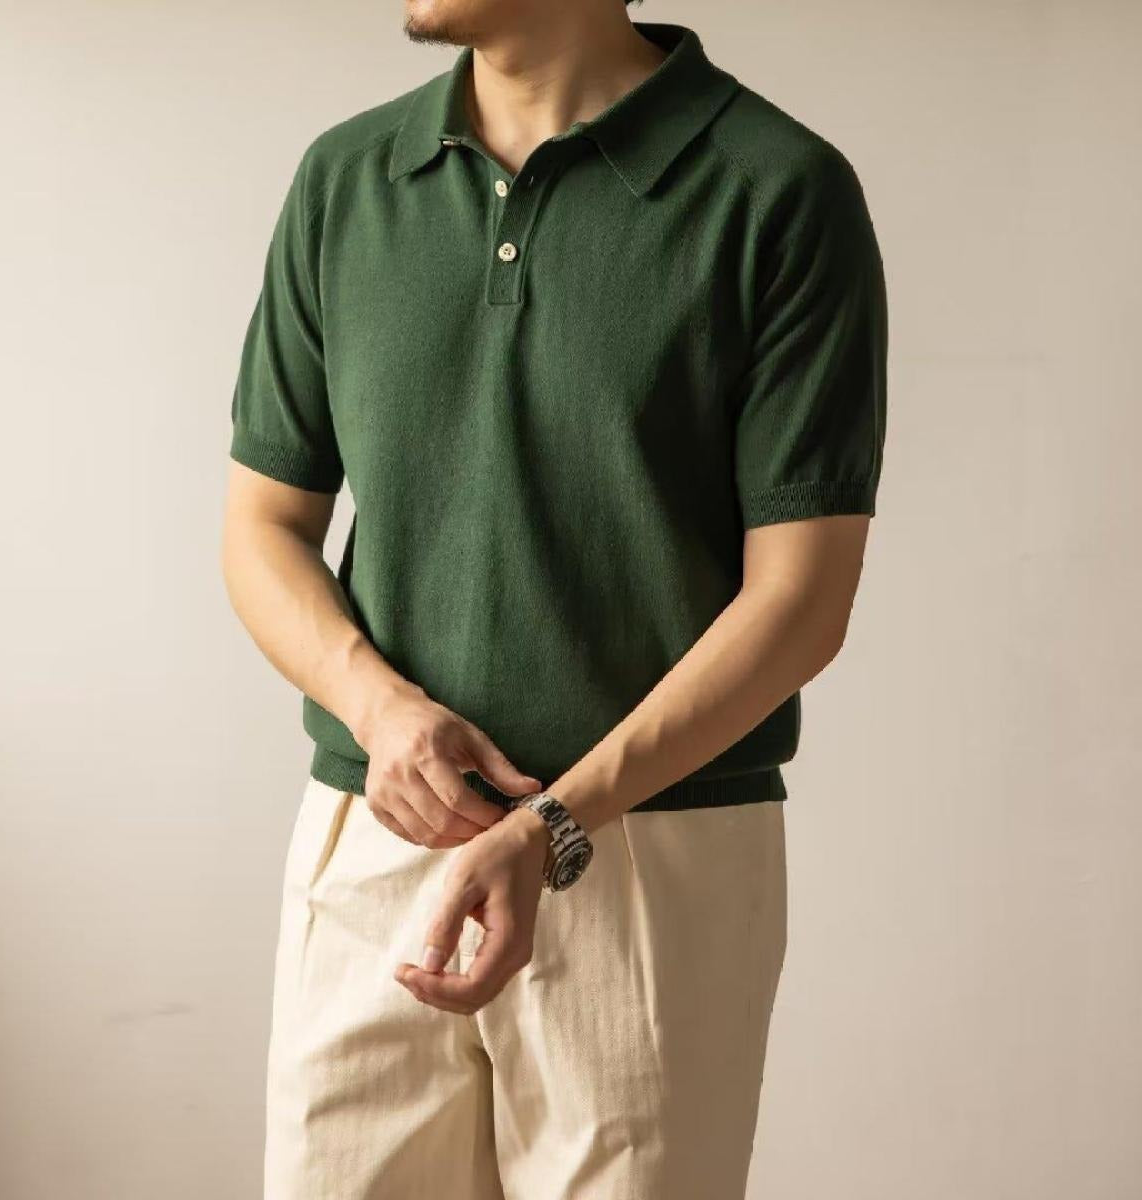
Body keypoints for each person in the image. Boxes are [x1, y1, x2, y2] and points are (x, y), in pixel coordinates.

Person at [221, 0, 887, 1195]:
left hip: (648, 851)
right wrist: (381, 714)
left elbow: (802, 599)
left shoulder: (778, 192)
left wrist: (555, 825)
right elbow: (261, 527)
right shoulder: (347, 180)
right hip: (377, 832)